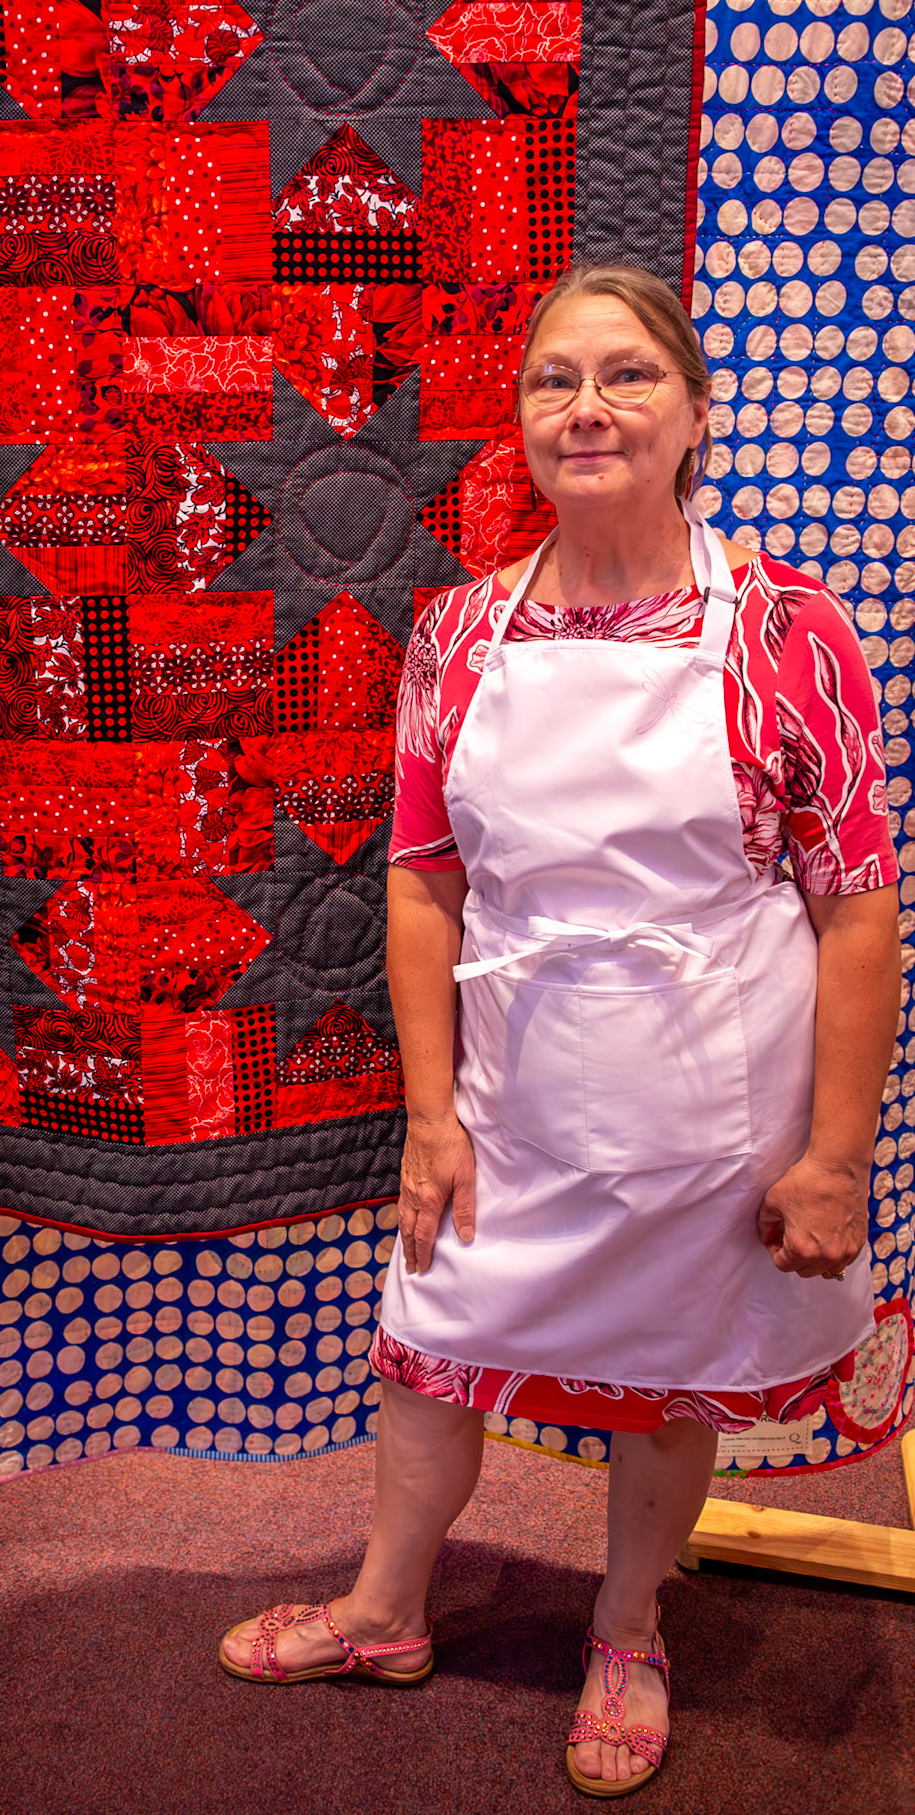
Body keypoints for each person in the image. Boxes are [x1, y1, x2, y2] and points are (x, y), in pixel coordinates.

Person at [218, 263, 901, 1797]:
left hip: (710, 1109)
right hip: (513, 1085)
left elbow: (858, 901)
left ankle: (625, 1628)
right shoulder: (457, 634)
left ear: (692, 415)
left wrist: (834, 1158)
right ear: (518, 424)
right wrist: (431, 1114)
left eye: (626, 377)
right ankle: (383, 1609)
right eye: (552, 382)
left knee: (667, 1376)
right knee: (428, 1352)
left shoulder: (787, 630)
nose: (586, 409)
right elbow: (420, 882)